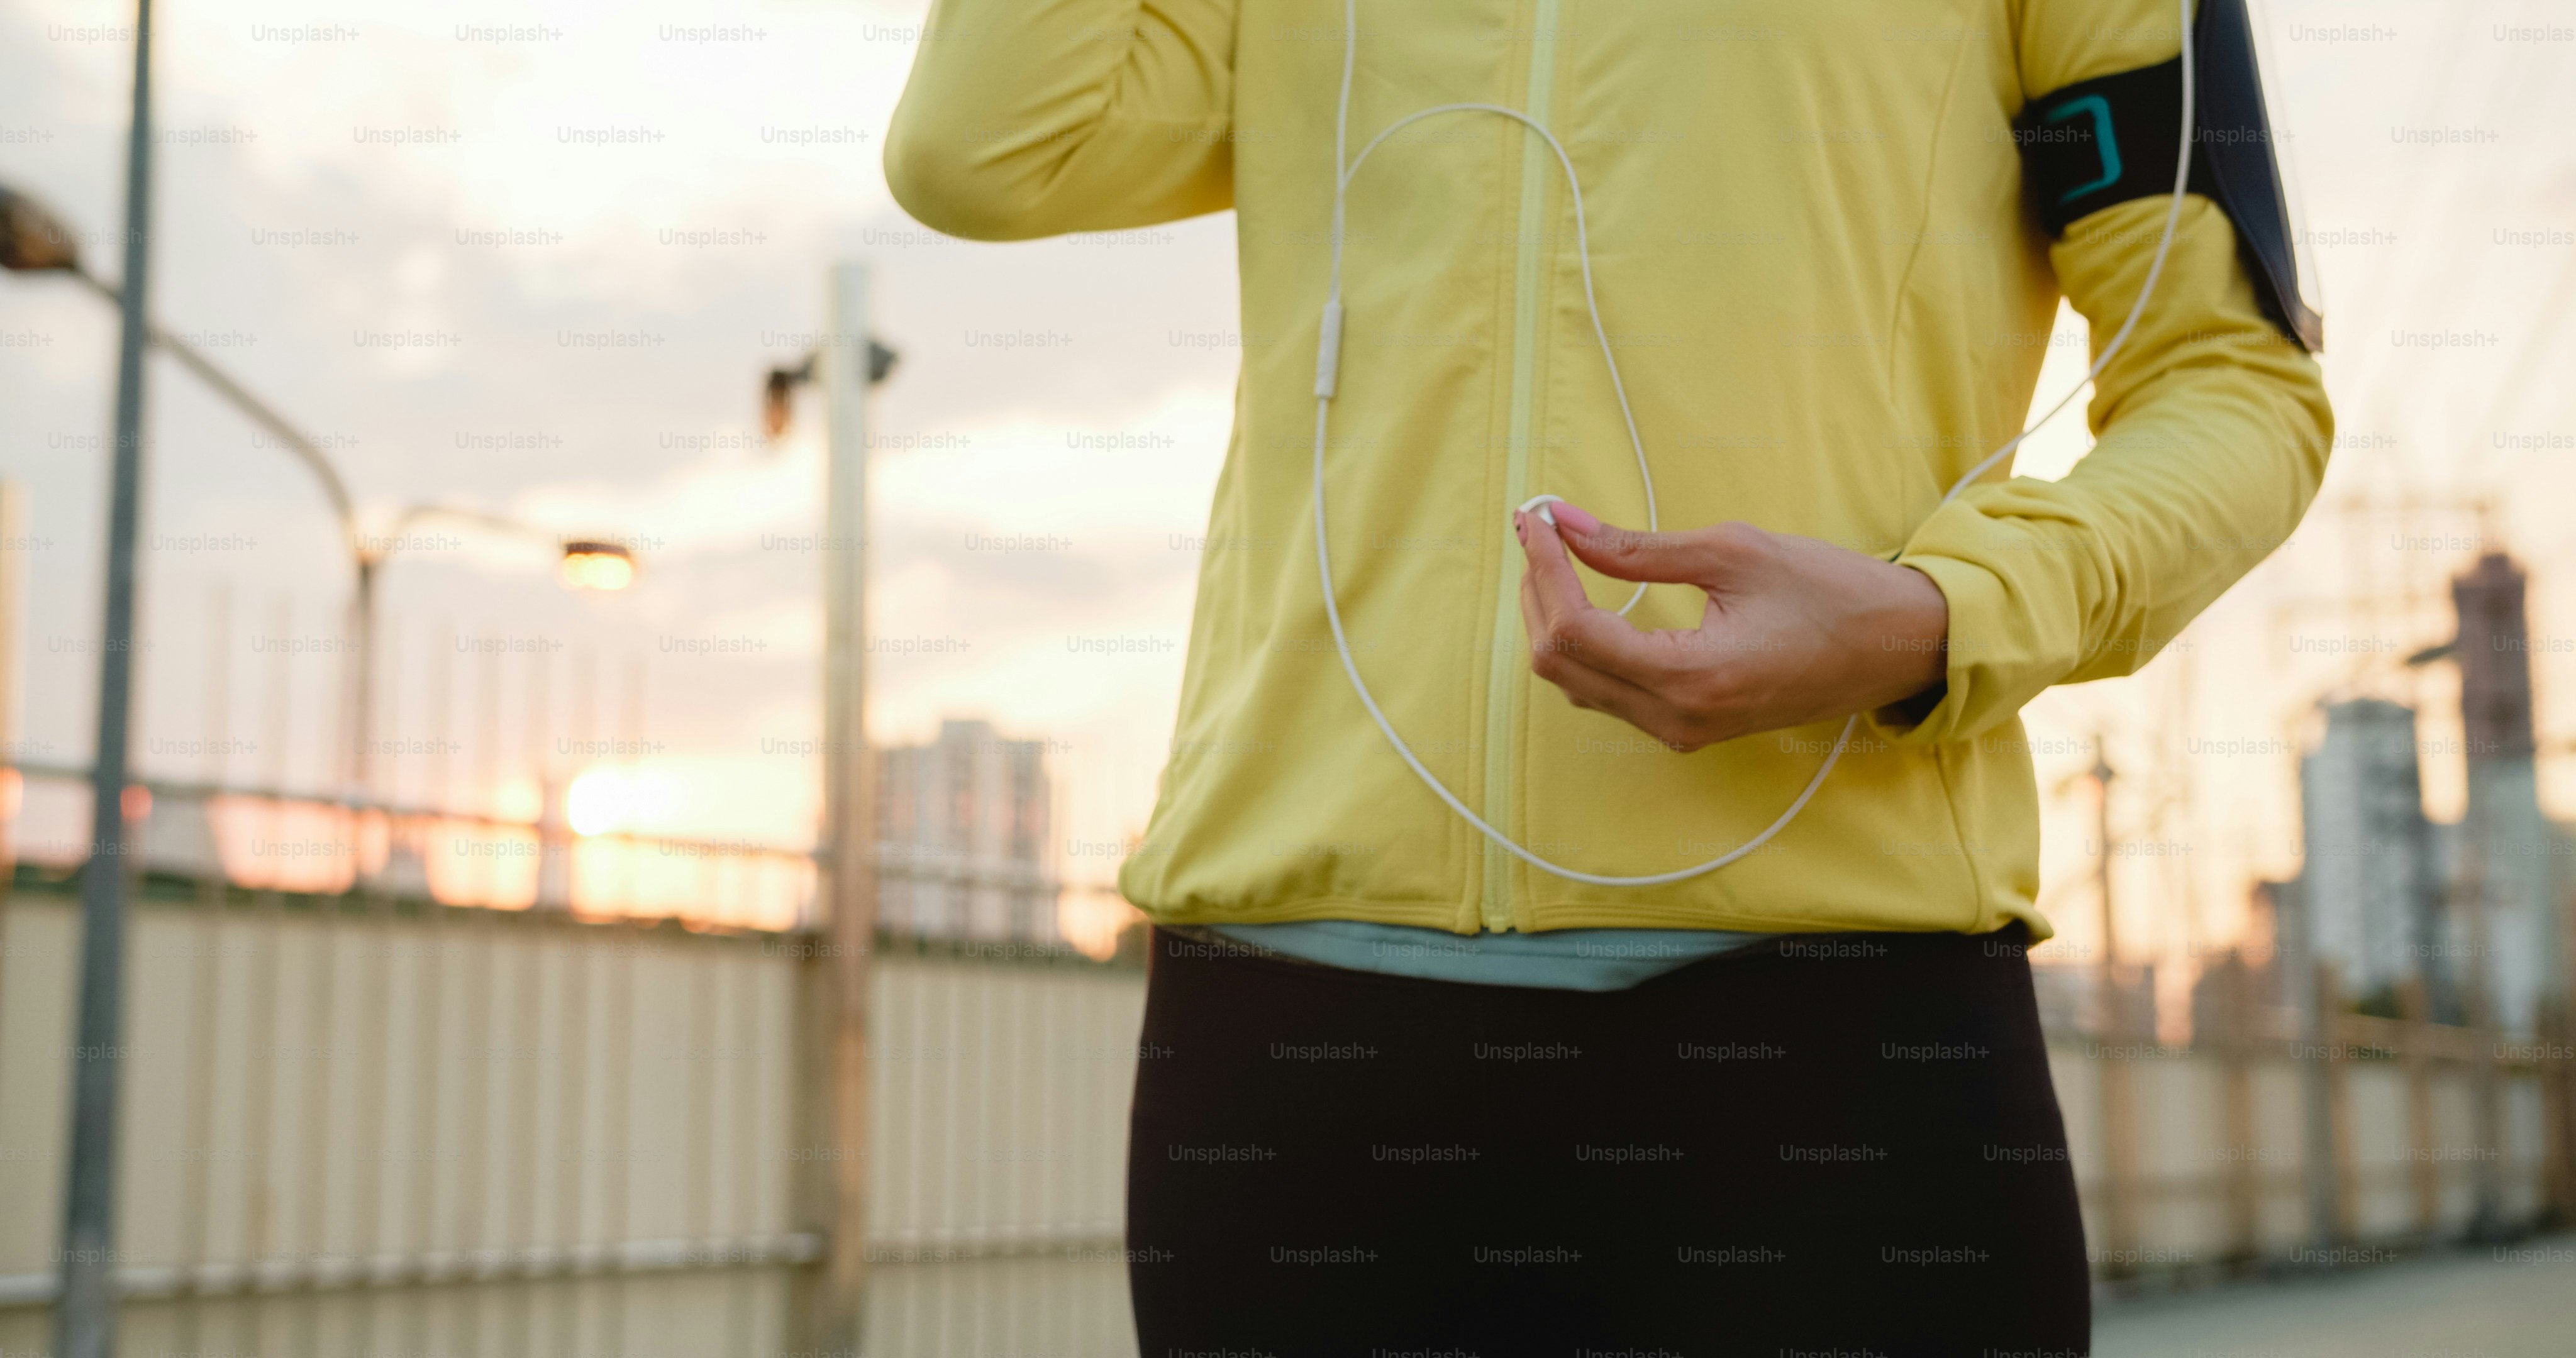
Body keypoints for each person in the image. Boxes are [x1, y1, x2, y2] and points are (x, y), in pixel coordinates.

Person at [887, 0, 2328, 1351]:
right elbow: (993, 147)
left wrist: (1934, 615)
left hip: (1830, 1029)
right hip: (1297, 1031)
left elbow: (2232, 382)